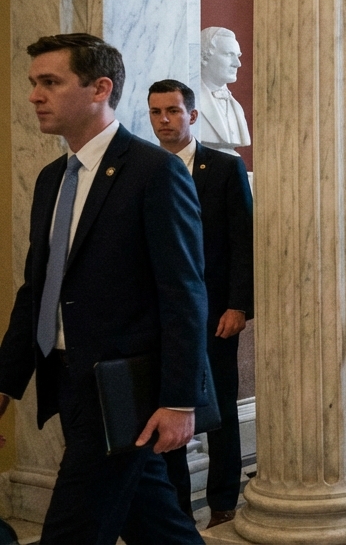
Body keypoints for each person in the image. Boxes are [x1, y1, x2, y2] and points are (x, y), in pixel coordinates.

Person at [0, 34, 206, 542]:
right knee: (154, 522)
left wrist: (180, 400)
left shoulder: (153, 171)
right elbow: (39, 288)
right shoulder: (51, 178)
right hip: (67, 379)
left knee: (73, 529)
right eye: (33, 83)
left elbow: (183, 291)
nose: (34, 95)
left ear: (100, 89)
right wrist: (5, 380)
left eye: (50, 82)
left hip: (123, 386)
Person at [148, 80, 255, 527]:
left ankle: (223, 501)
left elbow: (244, 241)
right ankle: (174, 506)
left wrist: (239, 306)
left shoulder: (225, 169)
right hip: (158, 317)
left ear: (192, 116)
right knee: (165, 405)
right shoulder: (143, 168)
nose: (164, 120)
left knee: (220, 408)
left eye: (173, 111)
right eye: (156, 112)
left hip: (215, 312)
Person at [196, 26, 251, 156]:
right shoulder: (191, 102)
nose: (237, 63)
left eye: (238, 56)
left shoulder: (236, 107)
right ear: (204, 57)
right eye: (229, 54)